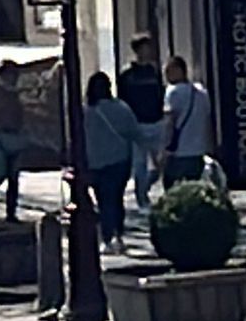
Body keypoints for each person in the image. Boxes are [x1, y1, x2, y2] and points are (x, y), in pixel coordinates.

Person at [83, 69, 141, 245]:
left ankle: (107, 235)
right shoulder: (121, 108)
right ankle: (118, 233)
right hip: (119, 159)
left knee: (103, 200)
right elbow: (134, 131)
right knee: (116, 198)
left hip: (95, 162)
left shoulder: (85, 112)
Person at [117, 31, 166, 211]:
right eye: (144, 48)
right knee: (140, 165)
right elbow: (122, 99)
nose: (147, 52)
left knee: (161, 163)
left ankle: (149, 186)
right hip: (137, 124)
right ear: (137, 50)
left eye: (149, 48)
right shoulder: (127, 75)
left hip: (156, 121)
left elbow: (161, 94)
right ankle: (141, 198)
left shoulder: (154, 72)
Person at [0, 57, 34, 219]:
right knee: (0, 173)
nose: (14, 78)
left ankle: (11, 212)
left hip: (14, 137)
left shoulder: (13, 94)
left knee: (14, 176)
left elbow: (19, 115)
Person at [158, 54, 215, 185]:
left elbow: (169, 123)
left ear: (179, 70)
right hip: (199, 151)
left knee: (173, 188)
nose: (166, 77)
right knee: (193, 188)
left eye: (168, 72)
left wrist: (163, 149)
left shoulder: (173, 92)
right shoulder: (202, 92)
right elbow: (207, 121)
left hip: (179, 152)